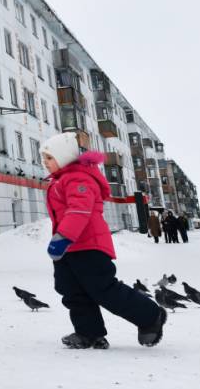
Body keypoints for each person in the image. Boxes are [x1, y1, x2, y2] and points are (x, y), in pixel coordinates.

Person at [41, 132, 167, 349]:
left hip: (87, 245)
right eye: (44, 159)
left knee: (103, 289)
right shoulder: (62, 180)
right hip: (69, 248)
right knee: (72, 291)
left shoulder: (77, 178)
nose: (46, 163)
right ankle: (89, 333)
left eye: (50, 158)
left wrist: (63, 237)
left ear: (64, 157)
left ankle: (150, 316)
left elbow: (80, 210)